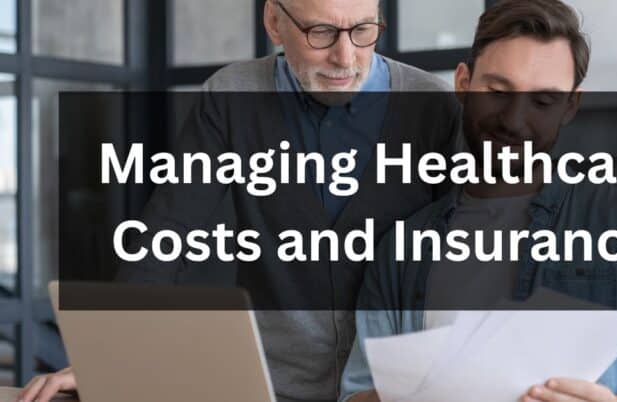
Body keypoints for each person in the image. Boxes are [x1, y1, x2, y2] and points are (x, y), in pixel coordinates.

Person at [19, 1, 459, 402]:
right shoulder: (231, 95)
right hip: (271, 387)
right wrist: (105, 358)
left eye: (363, 30)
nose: (345, 58)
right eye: (320, 32)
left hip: (395, 391)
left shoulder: (433, 107)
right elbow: (167, 232)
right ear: (274, 22)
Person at [340, 1, 617, 401]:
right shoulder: (401, 250)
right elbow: (357, 392)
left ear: (569, 106)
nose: (513, 120)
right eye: (496, 90)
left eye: (542, 101)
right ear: (462, 83)